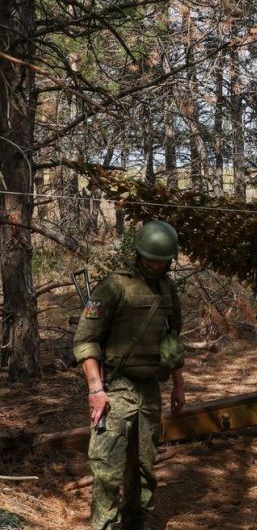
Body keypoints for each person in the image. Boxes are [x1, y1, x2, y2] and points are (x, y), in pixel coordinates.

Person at [73, 220, 185, 530]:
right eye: (150, 257)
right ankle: (106, 525)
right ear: (138, 253)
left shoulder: (167, 288)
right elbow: (85, 339)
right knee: (108, 465)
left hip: (149, 386)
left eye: (162, 260)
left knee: (145, 464)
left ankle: (137, 521)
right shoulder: (113, 286)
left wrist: (178, 385)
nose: (155, 264)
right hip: (116, 385)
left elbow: (172, 337)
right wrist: (96, 390)